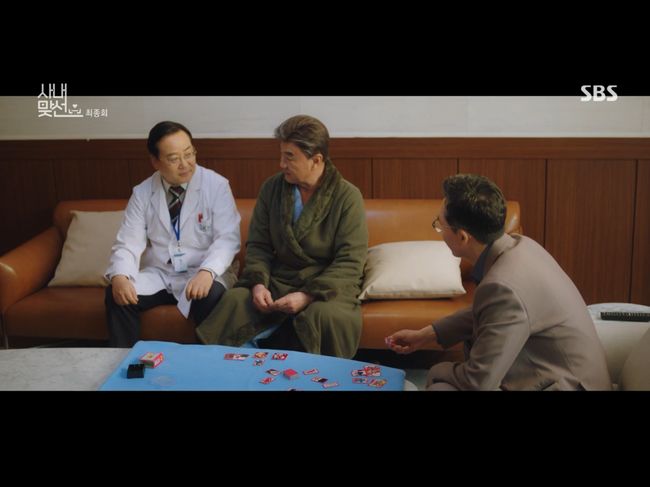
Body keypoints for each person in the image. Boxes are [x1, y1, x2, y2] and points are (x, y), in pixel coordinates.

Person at [387, 174, 611, 390]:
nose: (439, 230)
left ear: (462, 237)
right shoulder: (522, 245)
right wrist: (426, 335)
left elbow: (477, 382)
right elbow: (488, 311)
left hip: (568, 385)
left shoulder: (504, 286)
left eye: (440, 224)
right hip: (563, 375)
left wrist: (436, 370)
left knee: (441, 385)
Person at [195, 115, 368, 358]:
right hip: (279, 278)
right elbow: (259, 245)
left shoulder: (348, 197)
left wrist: (307, 295)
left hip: (327, 285)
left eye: (290, 157)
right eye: (281, 155)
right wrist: (258, 284)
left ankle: (304, 371)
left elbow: (350, 261)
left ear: (316, 160)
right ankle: (235, 368)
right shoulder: (272, 188)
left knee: (324, 316)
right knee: (236, 300)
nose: (281, 164)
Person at [104, 121, 241, 347]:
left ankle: (203, 361)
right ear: (155, 161)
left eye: (189, 154)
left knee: (211, 294)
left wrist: (207, 272)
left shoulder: (216, 185)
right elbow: (128, 241)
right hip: (162, 273)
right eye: (174, 158)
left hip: (203, 270)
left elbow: (227, 239)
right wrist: (120, 276)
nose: (185, 164)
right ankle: (126, 360)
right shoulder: (142, 192)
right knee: (117, 294)